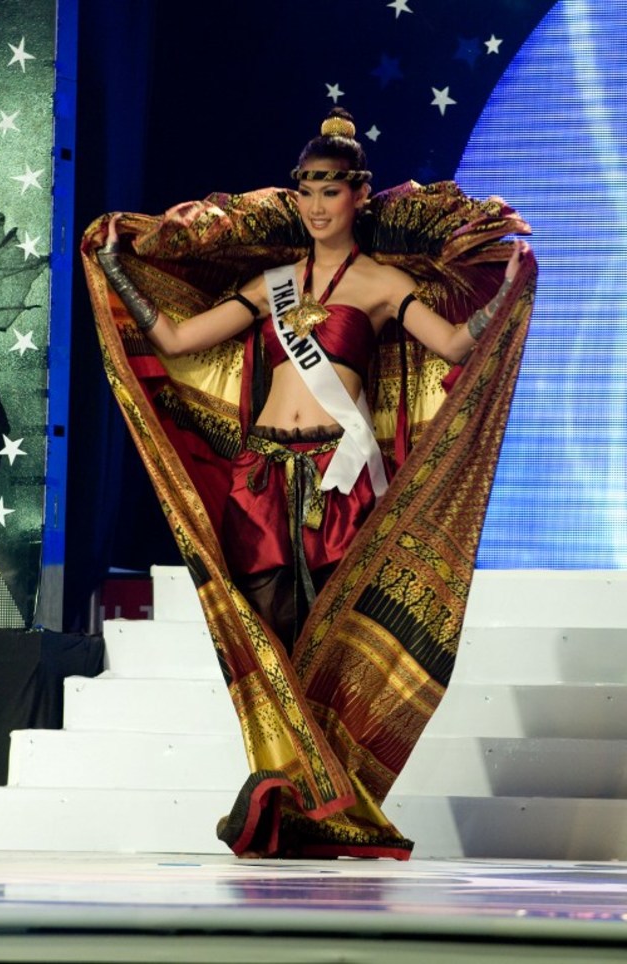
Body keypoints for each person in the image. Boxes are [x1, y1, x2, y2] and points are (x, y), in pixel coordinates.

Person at [82, 107, 536, 859]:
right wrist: (118, 272)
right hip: (260, 472)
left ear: (360, 195)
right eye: (307, 189)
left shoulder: (384, 283)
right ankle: (293, 794)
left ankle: (321, 799)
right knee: (269, 644)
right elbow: (175, 340)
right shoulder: (273, 287)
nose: (318, 204)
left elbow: (455, 344)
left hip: (339, 475)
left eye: (332, 189)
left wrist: (507, 292)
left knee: (327, 646)